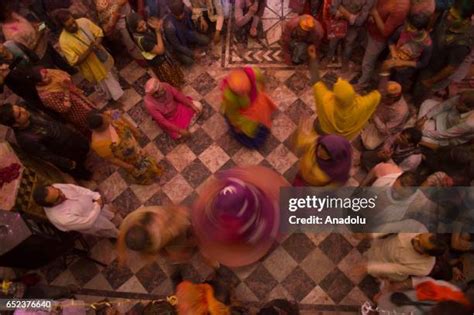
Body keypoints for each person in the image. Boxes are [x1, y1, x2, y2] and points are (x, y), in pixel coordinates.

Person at [193, 166, 288, 267]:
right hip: (262, 223)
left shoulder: (230, 227)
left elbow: (228, 241)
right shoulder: (244, 188)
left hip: (250, 236)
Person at [0, 103, 91, 180]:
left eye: (19, 108)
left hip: (69, 136)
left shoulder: (27, 109)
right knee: (82, 171)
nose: (23, 110)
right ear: (15, 124)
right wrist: (68, 164)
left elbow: (49, 119)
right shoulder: (26, 140)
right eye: (19, 114)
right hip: (67, 154)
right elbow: (47, 156)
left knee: (86, 150)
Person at [308, 47, 381, 140]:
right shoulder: (361, 105)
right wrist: (385, 70)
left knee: (317, 124)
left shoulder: (326, 101)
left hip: (325, 130)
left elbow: (315, 80)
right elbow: (380, 92)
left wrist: (313, 58)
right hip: (343, 138)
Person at [56, 10, 124, 101]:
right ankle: (111, 98)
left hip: (102, 57)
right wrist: (90, 49)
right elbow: (75, 61)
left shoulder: (83, 21)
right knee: (103, 86)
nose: (73, 25)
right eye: (69, 26)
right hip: (92, 68)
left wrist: (97, 43)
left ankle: (119, 86)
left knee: (112, 73)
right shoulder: (63, 41)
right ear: (63, 27)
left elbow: (99, 33)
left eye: (73, 22)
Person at [413, 3, 473, 105]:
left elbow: (450, 68)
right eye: (450, 13)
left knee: (422, 92)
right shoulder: (447, 13)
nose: (448, 17)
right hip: (427, 58)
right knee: (416, 83)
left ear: (466, 20)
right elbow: (436, 24)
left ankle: (417, 105)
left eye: (454, 17)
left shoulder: (463, 42)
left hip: (435, 71)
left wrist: (431, 81)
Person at [87, 110, 161, 185]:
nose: (108, 119)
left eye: (105, 117)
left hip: (138, 150)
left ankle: (154, 170)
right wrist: (128, 166)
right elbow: (111, 159)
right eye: (105, 121)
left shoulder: (109, 114)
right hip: (131, 161)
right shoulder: (99, 144)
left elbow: (122, 119)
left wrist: (135, 130)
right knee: (141, 172)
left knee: (148, 161)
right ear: (98, 128)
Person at [0, 4, 76, 74]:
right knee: (55, 75)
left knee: (63, 63)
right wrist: (39, 34)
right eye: (7, 9)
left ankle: (73, 72)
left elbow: (28, 24)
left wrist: (38, 25)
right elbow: (28, 51)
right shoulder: (11, 34)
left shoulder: (14, 16)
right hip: (41, 57)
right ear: (4, 15)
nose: (10, 9)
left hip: (45, 44)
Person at [356, 0, 410, 89]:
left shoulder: (401, 7)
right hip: (371, 29)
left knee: (368, 62)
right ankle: (363, 72)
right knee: (366, 56)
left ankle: (363, 83)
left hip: (378, 38)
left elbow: (385, 32)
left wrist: (375, 13)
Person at [366, 222, 447, 282]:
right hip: (385, 245)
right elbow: (394, 226)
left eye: (418, 244)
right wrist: (372, 234)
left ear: (426, 254)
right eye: (420, 235)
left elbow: (394, 268)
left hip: (388, 264)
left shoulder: (423, 268)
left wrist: (368, 268)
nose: (415, 238)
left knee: (375, 274)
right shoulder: (418, 227)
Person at [33, 184, 119, 238]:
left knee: (107, 214)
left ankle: (111, 217)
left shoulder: (55, 187)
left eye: (59, 191)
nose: (63, 195)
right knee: (108, 229)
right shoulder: (61, 218)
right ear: (51, 205)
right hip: (93, 221)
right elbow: (87, 223)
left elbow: (76, 189)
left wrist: (95, 196)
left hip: (92, 205)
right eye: (58, 198)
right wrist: (98, 205)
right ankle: (118, 235)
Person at [117, 205, 195, 264]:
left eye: (156, 219)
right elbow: (174, 230)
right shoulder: (156, 241)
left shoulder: (132, 220)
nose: (160, 218)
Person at [221, 67, 276, 149]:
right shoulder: (229, 97)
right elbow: (232, 113)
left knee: (260, 116)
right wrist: (236, 125)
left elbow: (261, 79)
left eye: (245, 90)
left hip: (254, 102)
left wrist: (262, 89)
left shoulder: (254, 73)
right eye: (240, 93)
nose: (243, 94)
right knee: (247, 129)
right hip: (240, 113)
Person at [30, 67, 96, 136]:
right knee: (93, 127)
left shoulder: (49, 72)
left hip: (81, 99)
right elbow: (63, 109)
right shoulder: (46, 96)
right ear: (39, 82)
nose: (48, 75)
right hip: (77, 113)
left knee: (97, 114)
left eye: (46, 73)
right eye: (45, 77)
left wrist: (67, 80)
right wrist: (66, 90)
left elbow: (64, 74)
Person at [126, 12, 184, 87]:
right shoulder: (142, 40)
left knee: (175, 73)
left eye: (143, 23)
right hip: (160, 63)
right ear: (134, 29)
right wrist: (158, 33)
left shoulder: (145, 28)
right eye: (140, 27)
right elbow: (160, 50)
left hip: (164, 58)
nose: (144, 27)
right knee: (171, 82)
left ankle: (179, 82)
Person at [293, 119, 352, 187]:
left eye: (326, 153)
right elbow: (303, 141)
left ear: (334, 157)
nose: (320, 152)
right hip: (302, 176)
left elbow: (330, 188)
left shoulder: (336, 172)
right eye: (321, 147)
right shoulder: (315, 143)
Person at [383, 13, 433, 90]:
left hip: (405, 70)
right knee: (384, 79)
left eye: (412, 28)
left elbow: (423, 63)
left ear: (422, 30)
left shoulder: (426, 44)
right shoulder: (403, 29)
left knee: (395, 86)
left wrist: (403, 63)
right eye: (409, 25)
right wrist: (394, 53)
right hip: (392, 60)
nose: (408, 29)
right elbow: (391, 40)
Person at [323, 0, 375, 71]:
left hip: (353, 26)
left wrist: (343, 11)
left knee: (349, 44)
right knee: (333, 42)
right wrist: (351, 17)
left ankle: (345, 61)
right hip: (339, 21)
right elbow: (332, 9)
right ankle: (328, 57)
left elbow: (360, 21)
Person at [361, 81, 410, 150]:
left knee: (368, 145)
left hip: (381, 128)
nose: (381, 99)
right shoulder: (385, 97)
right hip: (374, 117)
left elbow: (385, 130)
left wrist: (373, 115)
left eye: (383, 98)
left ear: (392, 99)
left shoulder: (401, 111)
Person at [163, 0, 210, 66]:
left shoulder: (186, 10)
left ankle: (190, 46)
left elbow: (194, 13)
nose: (181, 16)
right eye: (178, 16)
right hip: (179, 45)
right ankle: (179, 56)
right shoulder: (169, 26)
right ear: (172, 13)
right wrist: (192, 54)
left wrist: (201, 19)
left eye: (182, 14)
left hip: (188, 34)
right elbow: (177, 46)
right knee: (189, 61)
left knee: (206, 40)